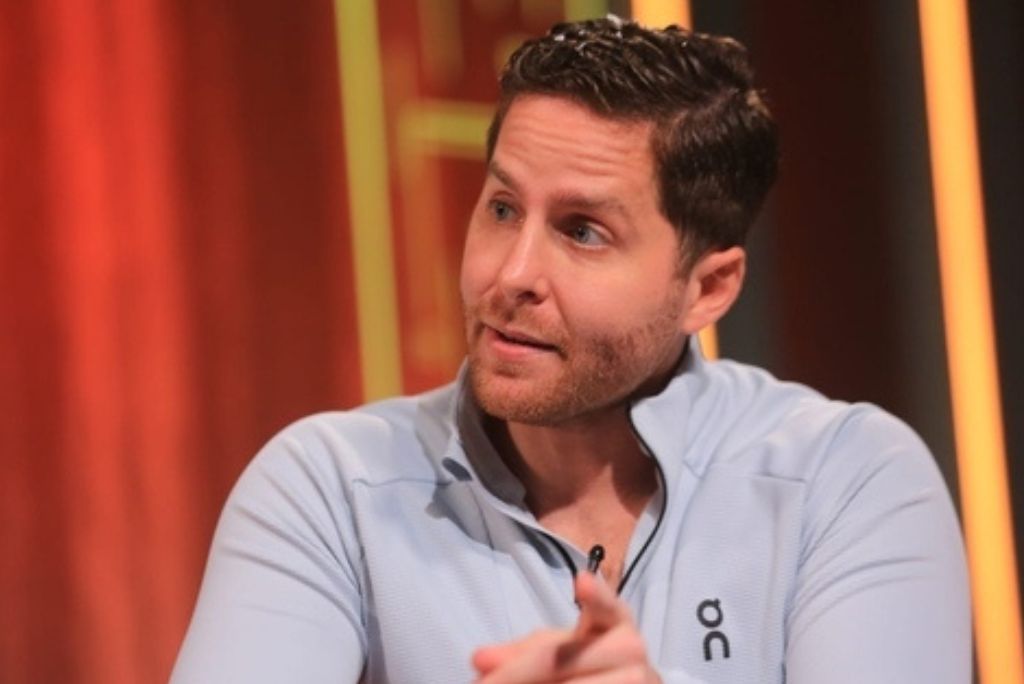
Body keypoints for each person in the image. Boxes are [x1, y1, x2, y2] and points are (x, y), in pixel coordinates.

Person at [171, 16, 970, 684]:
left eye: (582, 232)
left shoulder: (847, 482)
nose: (510, 276)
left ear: (709, 288)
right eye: (503, 208)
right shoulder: (329, 489)